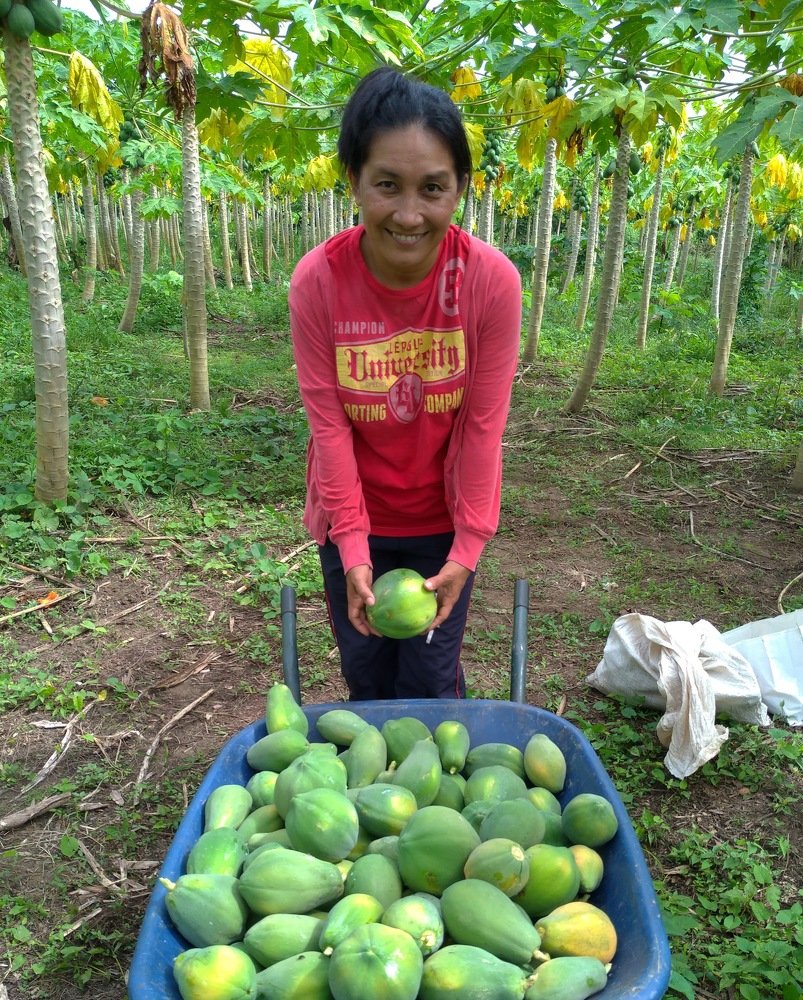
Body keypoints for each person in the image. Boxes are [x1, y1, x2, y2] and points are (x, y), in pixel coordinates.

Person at [288, 66, 521, 700]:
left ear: (460, 188)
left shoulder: (489, 283)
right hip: (352, 518)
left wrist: (467, 548)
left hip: (442, 523)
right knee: (365, 674)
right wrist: (352, 545)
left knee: (429, 681)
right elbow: (329, 428)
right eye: (387, 185)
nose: (410, 214)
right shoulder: (319, 282)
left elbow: (483, 428)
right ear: (354, 181)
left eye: (433, 188)